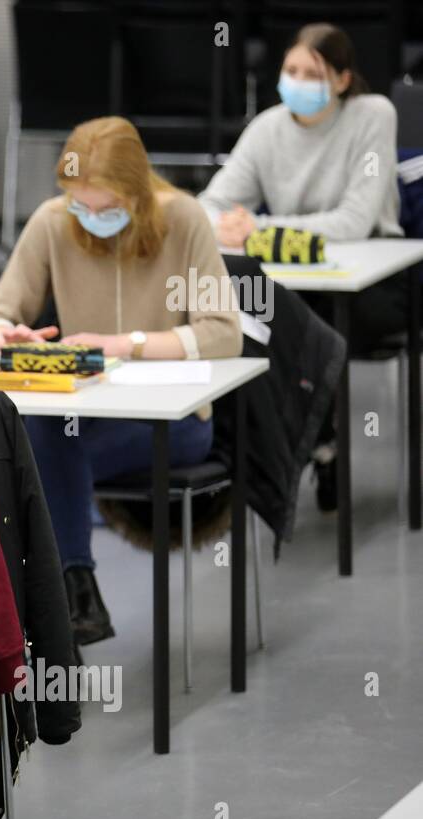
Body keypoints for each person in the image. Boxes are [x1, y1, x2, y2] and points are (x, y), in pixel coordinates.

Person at [0, 116, 242, 647]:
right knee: (47, 436)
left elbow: (223, 333)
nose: (90, 217)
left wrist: (122, 344)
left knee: (36, 465)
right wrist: (9, 333)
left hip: (175, 419)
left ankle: (62, 600)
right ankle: (77, 591)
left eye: (107, 208)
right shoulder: (53, 222)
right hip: (89, 410)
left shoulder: (183, 219)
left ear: (137, 195)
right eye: (81, 205)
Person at [198, 22, 401, 510]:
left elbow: (355, 221)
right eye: (291, 70)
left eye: (313, 73)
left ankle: (315, 445)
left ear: (343, 80)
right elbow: (209, 202)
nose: (298, 82)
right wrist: (226, 225)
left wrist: (261, 230)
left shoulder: (373, 115)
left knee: (303, 319)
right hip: (299, 280)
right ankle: (279, 451)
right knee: (248, 310)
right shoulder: (268, 127)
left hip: (376, 282)